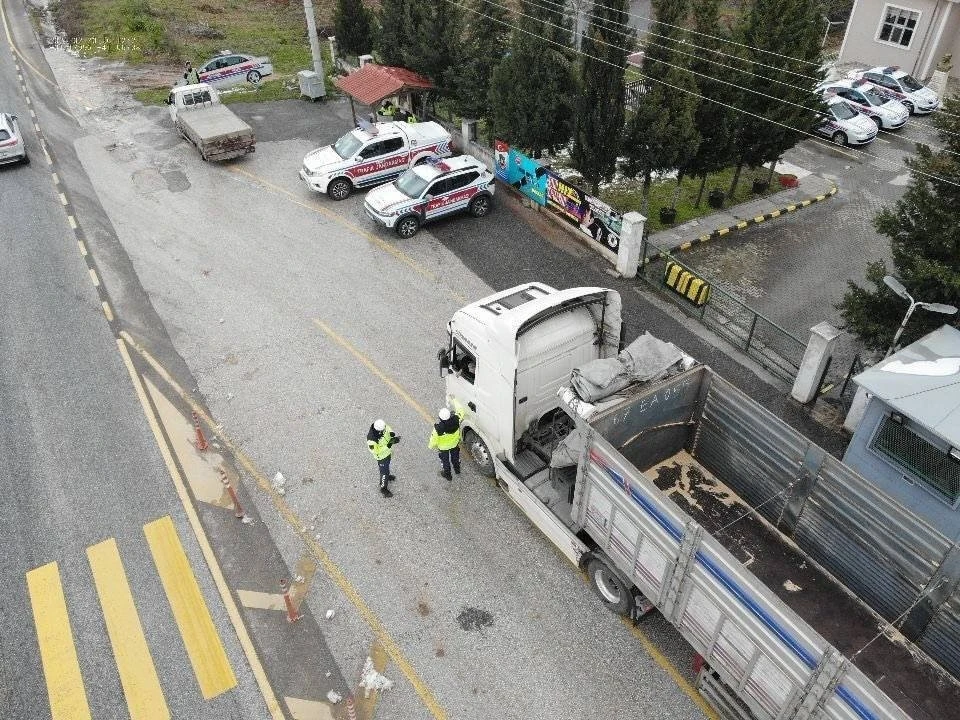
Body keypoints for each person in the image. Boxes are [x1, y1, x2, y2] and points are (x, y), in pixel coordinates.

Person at [428, 405, 464, 481]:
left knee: (445, 462)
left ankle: (448, 476)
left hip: (443, 448)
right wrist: (454, 399)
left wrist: (431, 447)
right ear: (450, 415)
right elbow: (461, 411)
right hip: (454, 444)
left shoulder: (438, 429)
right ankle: (457, 470)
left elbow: (433, 440)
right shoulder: (457, 419)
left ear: (440, 418)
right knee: (455, 458)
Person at [367, 419, 400, 497]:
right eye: (383, 430)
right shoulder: (372, 440)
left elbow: (387, 427)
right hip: (381, 457)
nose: (384, 430)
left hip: (387, 453)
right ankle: (383, 488)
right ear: (378, 430)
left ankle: (387, 476)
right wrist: (388, 445)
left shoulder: (380, 426)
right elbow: (376, 451)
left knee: (386, 468)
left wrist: (391, 433)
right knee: (384, 472)